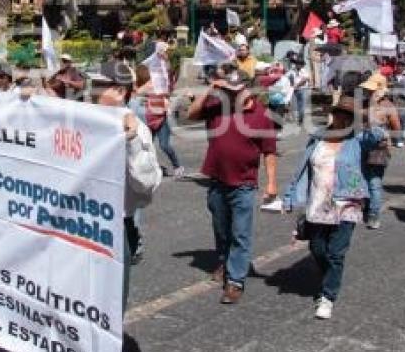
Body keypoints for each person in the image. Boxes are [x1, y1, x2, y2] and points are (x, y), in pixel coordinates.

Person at [282, 95, 385, 319]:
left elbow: (379, 135)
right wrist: (290, 196)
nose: (343, 118)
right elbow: (302, 169)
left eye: (348, 115)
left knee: (336, 253)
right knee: (317, 249)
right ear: (333, 114)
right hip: (318, 202)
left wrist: (365, 117)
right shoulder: (318, 137)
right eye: (340, 113)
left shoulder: (359, 139)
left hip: (347, 202)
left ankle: (327, 296)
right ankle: (329, 276)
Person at [187, 66, 277, 304]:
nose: (231, 94)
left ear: (246, 88)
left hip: (244, 184)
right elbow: (191, 114)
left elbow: (269, 151)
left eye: (235, 90)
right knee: (221, 229)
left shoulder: (261, 115)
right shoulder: (218, 106)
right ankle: (225, 262)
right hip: (217, 180)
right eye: (228, 89)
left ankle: (235, 281)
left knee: (240, 233)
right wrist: (211, 88)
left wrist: (271, 183)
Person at [97, 63, 162, 311]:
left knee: (109, 306)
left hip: (113, 228)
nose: (94, 91)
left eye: (101, 86)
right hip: (76, 224)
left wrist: (132, 141)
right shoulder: (82, 120)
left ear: (120, 92)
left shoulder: (137, 130)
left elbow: (147, 184)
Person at [360, 72, 401, 230]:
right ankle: (370, 212)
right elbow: (397, 128)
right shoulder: (382, 105)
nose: (367, 92)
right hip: (371, 146)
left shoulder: (376, 105)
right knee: (368, 181)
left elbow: (396, 128)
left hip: (374, 147)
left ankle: (372, 213)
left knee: (371, 181)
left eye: (370, 90)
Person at [130, 64, 184, 178]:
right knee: (147, 146)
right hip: (148, 121)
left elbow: (164, 95)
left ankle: (177, 166)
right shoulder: (138, 88)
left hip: (160, 121)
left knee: (164, 146)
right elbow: (134, 96)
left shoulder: (153, 85)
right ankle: (151, 167)